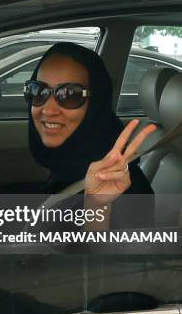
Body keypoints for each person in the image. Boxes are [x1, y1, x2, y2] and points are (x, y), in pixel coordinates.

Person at [25, 42, 156, 228]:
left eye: (70, 95)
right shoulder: (68, 163)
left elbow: (118, 257)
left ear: (96, 104)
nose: (48, 109)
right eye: (38, 91)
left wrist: (96, 207)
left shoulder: (124, 188)